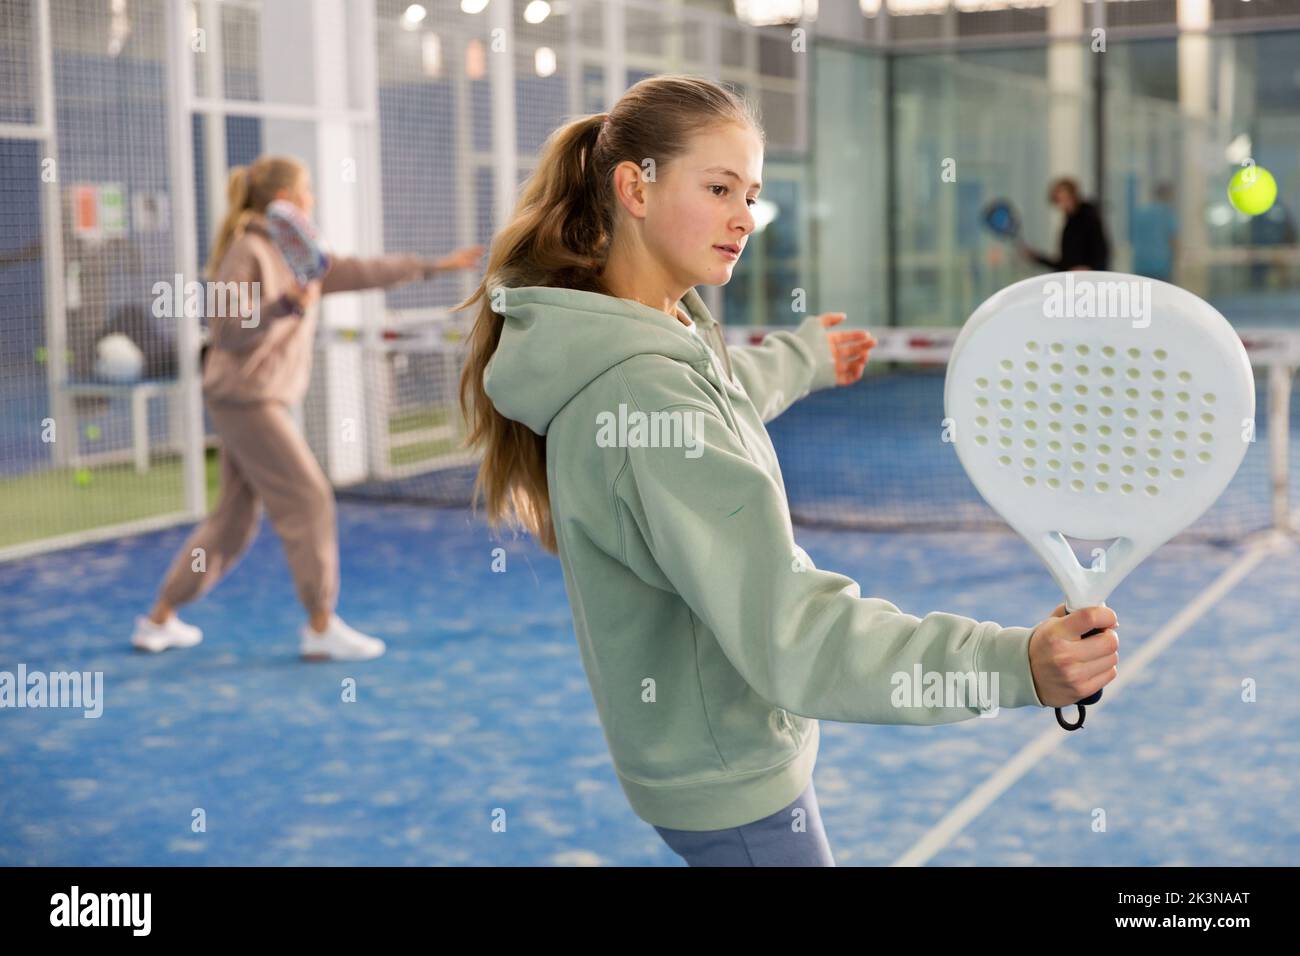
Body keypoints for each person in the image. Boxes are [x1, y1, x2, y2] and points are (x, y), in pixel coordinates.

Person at [458, 75, 1119, 866]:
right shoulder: (641, 384)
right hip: (732, 784)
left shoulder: (647, 334)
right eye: (718, 187)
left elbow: (718, 404)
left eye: (752, 192)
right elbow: (792, 631)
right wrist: (1014, 666)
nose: (745, 216)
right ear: (635, 187)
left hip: (704, 763)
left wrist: (801, 361)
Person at [132, 155, 483, 660]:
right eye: (307, 190)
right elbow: (226, 328)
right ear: (287, 201)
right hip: (245, 397)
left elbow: (359, 271)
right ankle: (320, 627)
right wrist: (284, 307)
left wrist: (437, 265)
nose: (313, 199)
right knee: (310, 498)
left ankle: (159, 619)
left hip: (254, 398)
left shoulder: (300, 256)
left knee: (232, 521)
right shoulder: (247, 250)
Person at [1019, 176, 1111, 272]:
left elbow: (1101, 251)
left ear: (1073, 195)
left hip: (1087, 280)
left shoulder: (1088, 215)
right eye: (1058, 199)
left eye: (1064, 198)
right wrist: (1036, 258)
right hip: (1072, 278)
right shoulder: (1069, 223)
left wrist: (1090, 268)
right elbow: (1065, 263)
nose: (1062, 203)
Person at [1129, 182, 1179, 282]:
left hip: (1140, 264)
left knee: (1144, 295)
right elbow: (1173, 240)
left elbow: (1132, 237)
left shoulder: (1140, 212)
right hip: (1160, 266)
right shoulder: (1167, 213)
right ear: (1167, 195)